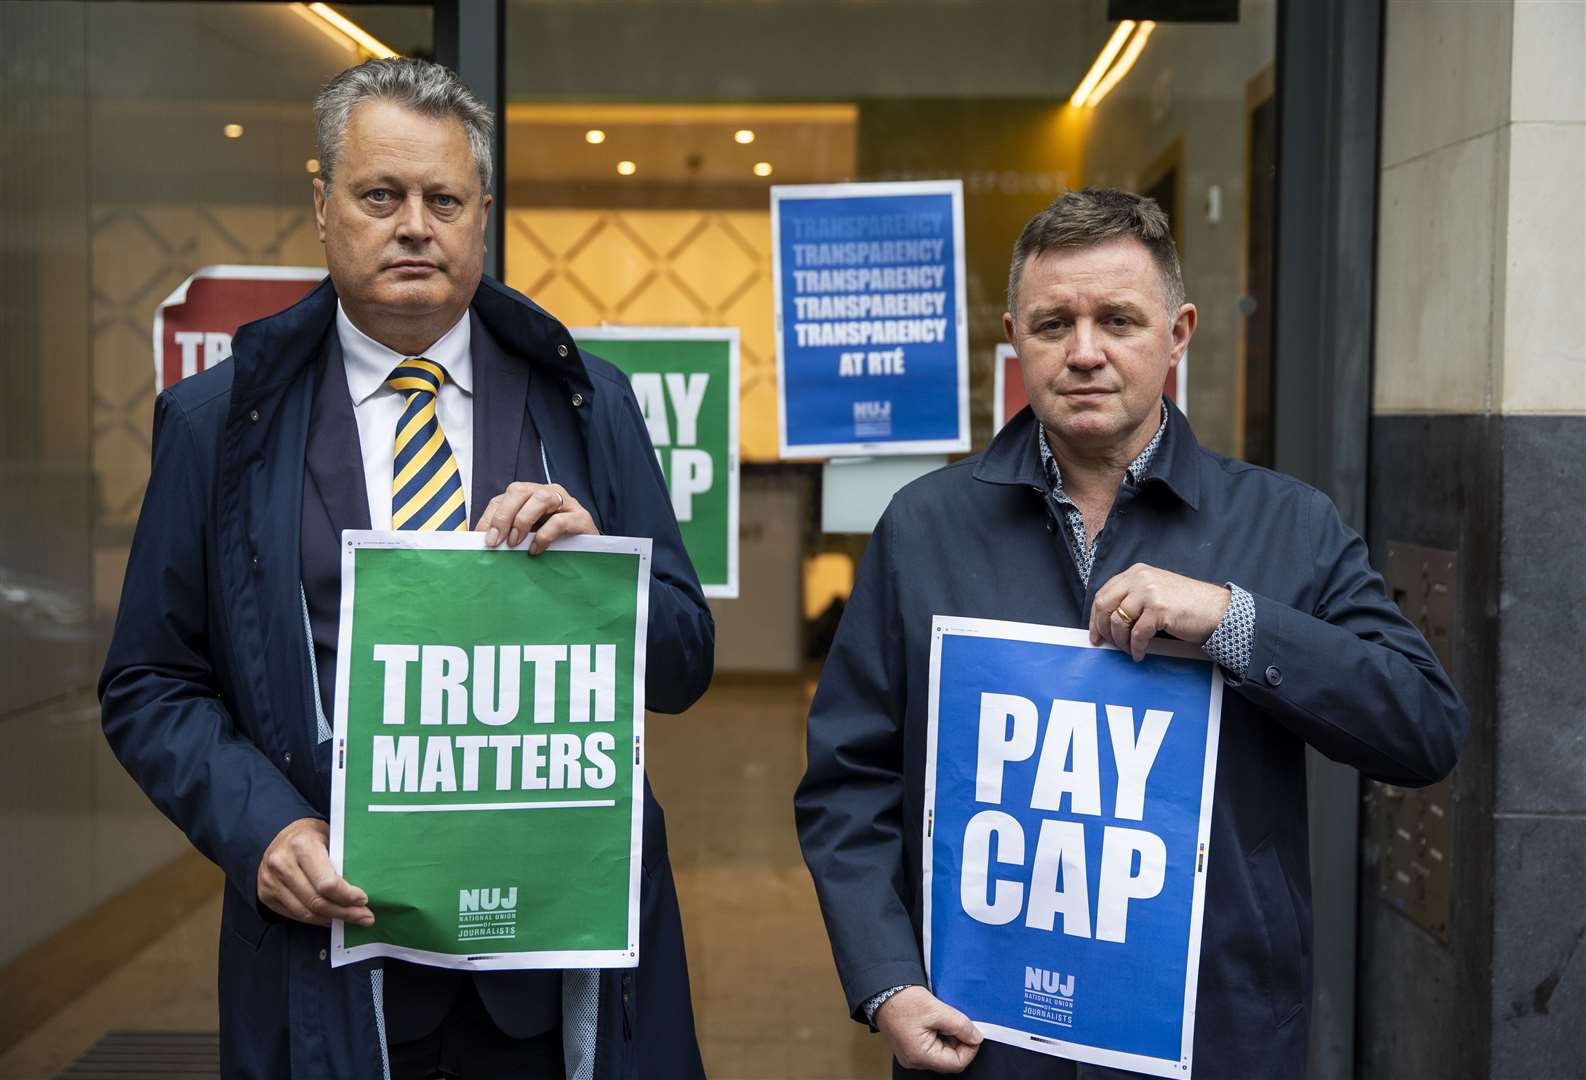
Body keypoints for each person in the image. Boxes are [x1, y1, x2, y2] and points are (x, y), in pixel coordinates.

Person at [100, 58, 712, 1080]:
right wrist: (261, 829)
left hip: (554, 973)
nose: (414, 226)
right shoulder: (218, 425)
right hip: (333, 955)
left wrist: (601, 575)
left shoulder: (585, 403)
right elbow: (149, 684)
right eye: (380, 196)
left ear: (482, 215)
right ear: (323, 205)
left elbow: (684, 663)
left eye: (443, 199)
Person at [794, 188, 1466, 1079]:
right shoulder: (925, 528)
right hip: (985, 1040)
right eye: (1051, 324)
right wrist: (886, 981)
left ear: (1177, 333)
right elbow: (848, 785)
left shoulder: (1287, 525)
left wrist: (1232, 620)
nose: (1084, 353)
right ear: (1013, 337)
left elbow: (1422, 726)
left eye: (1118, 319)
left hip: (1212, 1038)